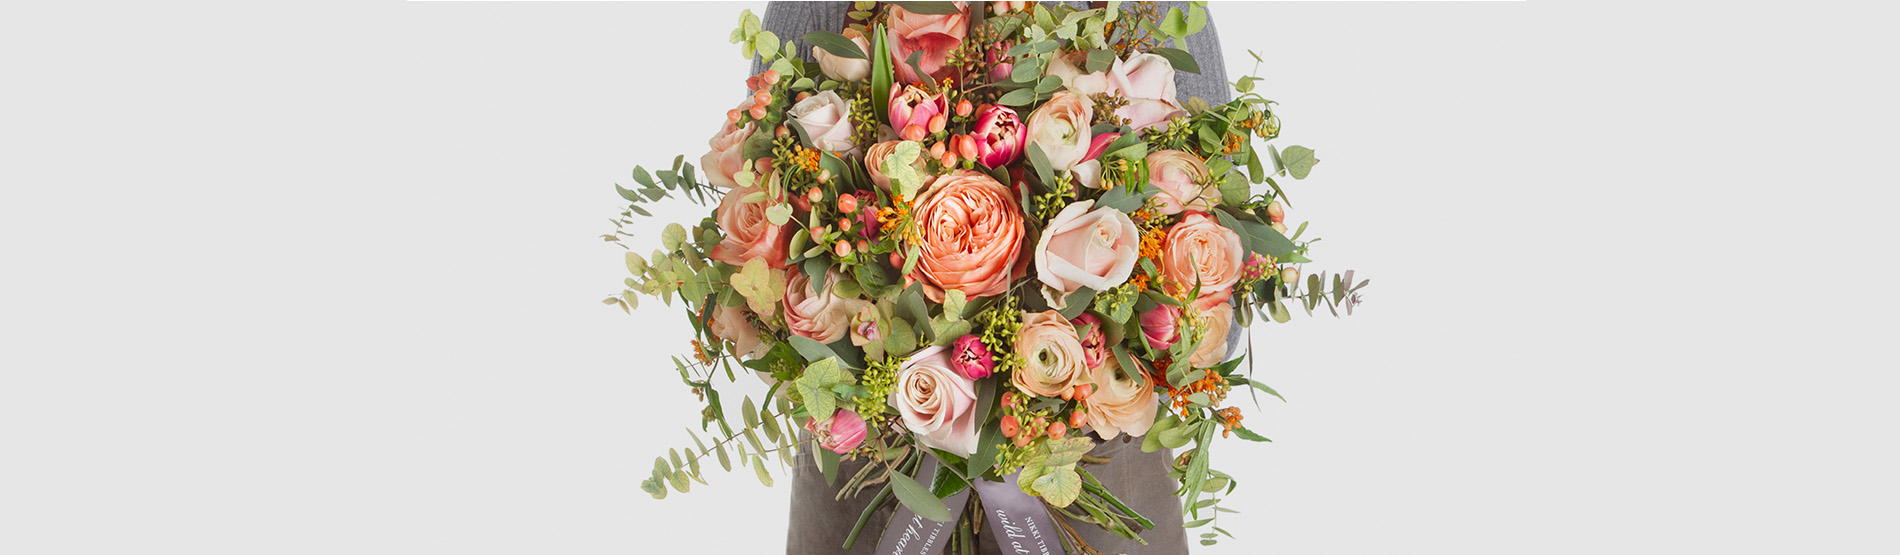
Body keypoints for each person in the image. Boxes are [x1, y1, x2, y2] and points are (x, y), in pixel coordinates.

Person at [759, 3, 1231, 554]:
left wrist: (1059, 387)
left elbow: (1217, 246)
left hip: (1091, 460)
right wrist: (897, 393)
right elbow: (769, 170)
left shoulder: (1156, 7)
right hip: (877, 464)